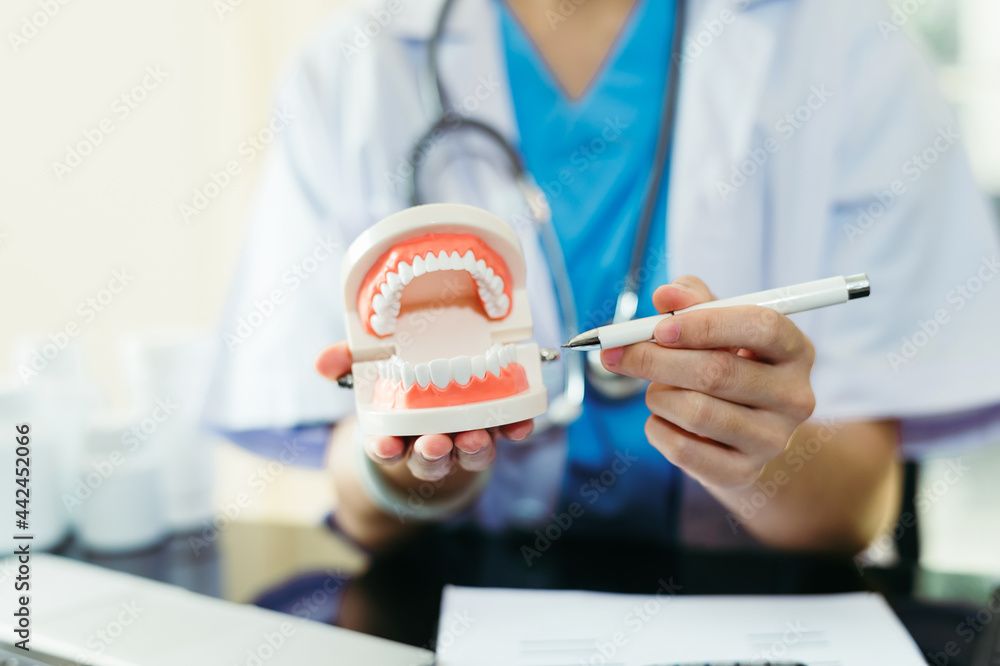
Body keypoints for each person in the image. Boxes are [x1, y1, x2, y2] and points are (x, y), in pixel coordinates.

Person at [205, 0, 1000, 553]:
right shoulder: (349, 67)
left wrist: (761, 454)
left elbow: (856, 509)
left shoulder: (845, 45)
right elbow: (361, 495)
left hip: (746, 607)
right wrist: (406, 470)